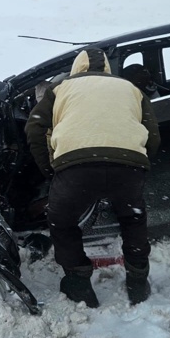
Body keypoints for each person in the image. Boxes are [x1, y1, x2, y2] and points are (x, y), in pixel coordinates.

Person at [25, 48, 160, 307]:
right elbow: (152, 133)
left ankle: (79, 284)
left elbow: (35, 127)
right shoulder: (131, 88)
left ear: (76, 69)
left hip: (76, 167)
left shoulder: (61, 88)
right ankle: (138, 281)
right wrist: (140, 164)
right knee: (132, 219)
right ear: (108, 68)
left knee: (62, 220)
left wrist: (51, 170)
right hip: (127, 165)